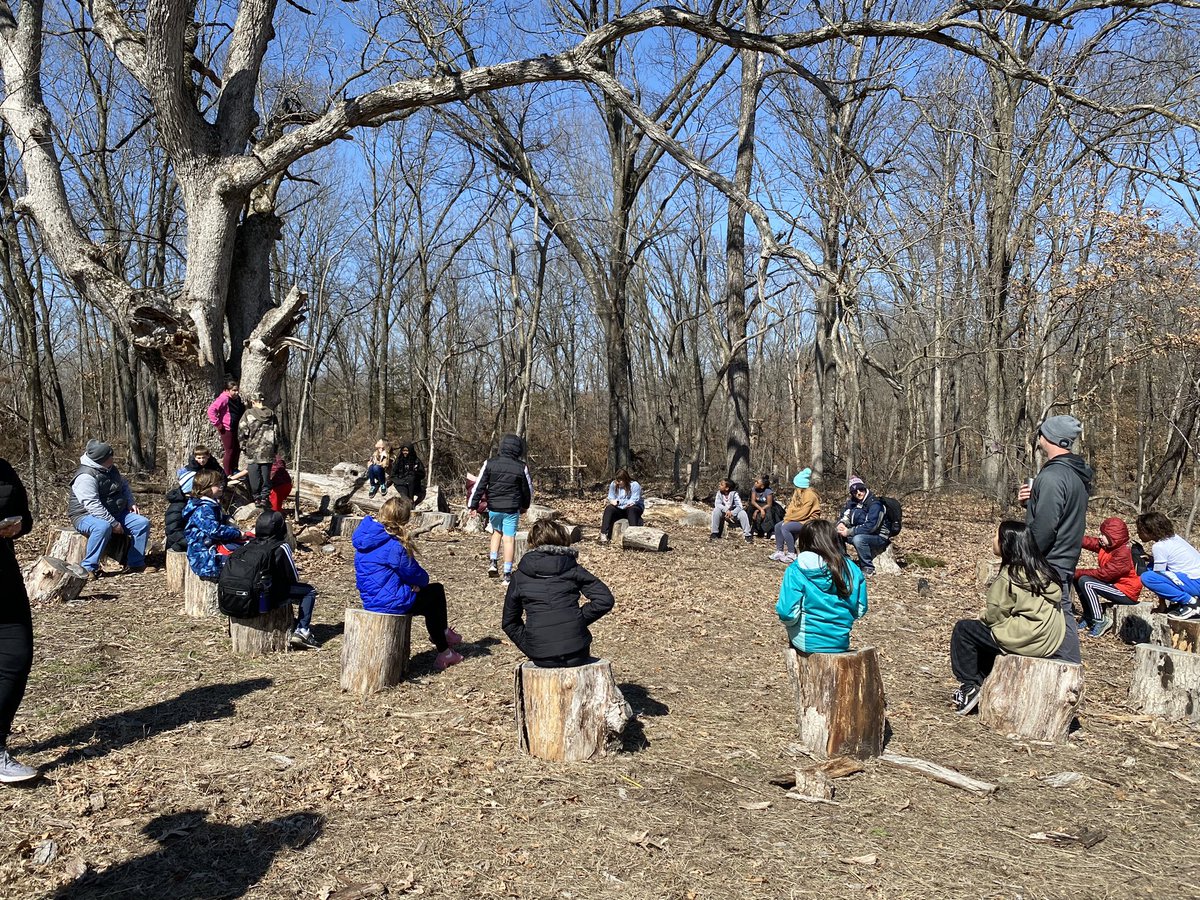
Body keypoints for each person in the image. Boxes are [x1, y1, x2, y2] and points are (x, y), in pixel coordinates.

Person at [950, 521, 1071, 714]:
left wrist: (981, 616)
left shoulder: (1010, 575)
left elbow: (995, 616)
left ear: (1007, 543)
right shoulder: (1044, 572)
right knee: (990, 635)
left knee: (964, 631)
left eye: (996, 536)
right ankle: (986, 682)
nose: (993, 540)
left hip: (1027, 639)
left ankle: (969, 686)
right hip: (1048, 642)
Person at [352, 497, 463, 669]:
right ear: (403, 520)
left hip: (371, 600)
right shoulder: (393, 545)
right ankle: (443, 645)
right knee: (435, 593)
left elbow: (384, 573)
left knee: (429, 599)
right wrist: (419, 583)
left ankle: (443, 638)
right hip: (390, 603)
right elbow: (414, 574)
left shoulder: (365, 539)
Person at [1016, 414, 1091, 663]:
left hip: (1049, 559)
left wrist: (1024, 554)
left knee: (1058, 612)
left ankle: (1068, 667)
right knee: (1057, 611)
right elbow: (1060, 513)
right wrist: (1032, 502)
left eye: (1041, 434)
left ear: (1046, 437)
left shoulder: (1052, 476)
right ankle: (1061, 665)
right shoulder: (1074, 475)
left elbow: (1046, 527)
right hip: (1065, 555)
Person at [503, 519, 615, 667]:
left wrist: (531, 646)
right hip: (577, 651)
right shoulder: (572, 568)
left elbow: (510, 623)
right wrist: (577, 620)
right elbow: (604, 599)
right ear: (562, 539)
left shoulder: (519, 576)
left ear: (532, 542)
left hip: (541, 656)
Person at [775, 520, 868, 653]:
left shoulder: (796, 569)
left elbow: (787, 613)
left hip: (806, 641)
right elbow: (860, 609)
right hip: (840, 641)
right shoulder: (851, 568)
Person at [0, 459, 37, 782]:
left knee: (17, 655)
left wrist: (18, 526)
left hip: (4, 579)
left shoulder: (3, 469)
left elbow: (26, 517)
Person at [68, 440, 152, 578]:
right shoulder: (85, 476)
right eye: (110, 456)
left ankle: (135, 563)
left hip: (115, 511)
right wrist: (113, 523)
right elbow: (92, 505)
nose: (113, 458)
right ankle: (88, 567)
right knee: (102, 527)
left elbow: (123, 485)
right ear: (102, 459)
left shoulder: (111, 468)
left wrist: (131, 503)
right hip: (84, 515)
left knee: (142, 523)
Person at [246, 511, 320, 649]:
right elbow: (293, 577)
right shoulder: (281, 546)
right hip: (270, 593)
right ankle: (302, 631)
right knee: (309, 592)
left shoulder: (249, 544)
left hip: (249, 592)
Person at [467, 434, 533, 585]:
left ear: (502, 447)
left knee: (497, 532)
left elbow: (479, 485)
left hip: (494, 507)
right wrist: (525, 506)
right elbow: (527, 490)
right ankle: (507, 575)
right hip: (511, 508)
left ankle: (493, 562)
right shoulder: (521, 467)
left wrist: (473, 505)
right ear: (518, 449)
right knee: (509, 539)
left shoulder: (489, 463)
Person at [1073, 517, 1142, 638]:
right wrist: (1071, 538)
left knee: (1086, 582)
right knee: (1078, 579)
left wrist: (1076, 572)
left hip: (1126, 592)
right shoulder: (1108, 546)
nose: (1100, 537)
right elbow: (1090, 542)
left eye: (1104, 535)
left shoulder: (1123, 553)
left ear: (1113, 537)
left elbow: (1104, 574)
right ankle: (1089, 615)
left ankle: (1100, 620)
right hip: (1115, 585)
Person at [1135, 511, 1200, 620]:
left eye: (1140, 531)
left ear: (1150, 531)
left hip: (1195, 583)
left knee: (1148, 577)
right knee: (1151, 565)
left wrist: (1162, 605)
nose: (1137, 533)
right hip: (1195, 579)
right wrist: (1152, 559)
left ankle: (1191, 603)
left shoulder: (1159, 546)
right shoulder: (1175, 538)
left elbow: (1158, 574)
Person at [183, 470, 246, 579]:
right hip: (206, 559)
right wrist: (238, 533)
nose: (221, 486)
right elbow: (214, 530)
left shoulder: (210, 505)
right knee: (246, 562)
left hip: (212, 549)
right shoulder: (204, 508)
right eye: (217, 484)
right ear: (205, 488)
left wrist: (227, 520)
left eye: (221, 483)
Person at [836, 476, 888, 575]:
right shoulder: (852, 503)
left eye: (861, 489)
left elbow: (871, 526)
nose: (859, 493)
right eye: (855, 491)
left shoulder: (875, 504)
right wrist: (842, 524)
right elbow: (845, 516)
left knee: (858, 539)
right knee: (836, 532)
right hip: (859, 532)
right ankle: (844, 561)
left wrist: (849, 532)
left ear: (865, 489)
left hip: (878, 536)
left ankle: (868, 567)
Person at [237, 393, 279, 509]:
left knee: (254, 475)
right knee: (266, 476)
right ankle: (265, 497)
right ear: (262, 400)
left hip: (253, 450)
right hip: (268, 450)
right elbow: (276, 433)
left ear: (253, 401)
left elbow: (241, 431)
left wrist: (243, 446)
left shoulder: (248, 414)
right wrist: (274, 448)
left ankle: (256, 498)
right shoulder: (271, 414)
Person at [771, 468, 821, 562]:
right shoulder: (797, 493)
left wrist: (788, 520)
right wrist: (787, 517)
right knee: (778, 526)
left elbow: (804, 513)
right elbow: (791, 507)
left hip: (808, 521)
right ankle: (779, 551)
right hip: (796, 519)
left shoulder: (810, 495)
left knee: (785, 527)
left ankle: (791, 553)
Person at [207, 380, 244, 476]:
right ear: (227, 390)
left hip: (236, 427)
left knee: (237, 449)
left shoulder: (237, 399)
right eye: (234, 390)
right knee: (229, 450)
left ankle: (234, 469)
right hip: (226, 428)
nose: (236, 392)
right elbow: (211, 410)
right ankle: (228, 473)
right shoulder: (224, 398)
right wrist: (218, 424)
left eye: (237, 390)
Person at [599, 469, 643, 543]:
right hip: (620, 508)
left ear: (625, 479)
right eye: (617, 480)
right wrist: (613, 501)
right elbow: (611, 497)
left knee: (632, 510)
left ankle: (633, 535)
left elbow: (633, 501)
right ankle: (604, 534)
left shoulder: (635, 485)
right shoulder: (613, 484)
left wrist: (619, 502)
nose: (618, 483)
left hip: (634, 507)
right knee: (609, 509)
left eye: (620, 481)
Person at [164, 468, 196, 552]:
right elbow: (173, 530)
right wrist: (189, 543)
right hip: (179, 544)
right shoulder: (177, 506)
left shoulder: (192, 502)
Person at [711, 479, 752, 543]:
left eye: (721, 485)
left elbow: (739, 506)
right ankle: (714, 533)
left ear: (727, 488)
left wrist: (732, 513)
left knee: (743, 513)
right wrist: (726, 510)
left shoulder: (734, 494)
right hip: (723, 512)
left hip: (733, 513)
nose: (719, 485)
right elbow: (717, 504)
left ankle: (747, 535)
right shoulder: (719, 493)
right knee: (716, 511)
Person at [748, 475, 782, 539]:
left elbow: (769, 504)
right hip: (757, 505)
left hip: (767, 505)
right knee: (750, 508)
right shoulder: (754, 489)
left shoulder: (768, 491)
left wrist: (759, 510)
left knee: (770, 511)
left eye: (757, 482)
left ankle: (771, 531)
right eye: (755, 482)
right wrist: (760, 509)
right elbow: (753, 501)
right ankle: (753, 528)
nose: (755, 483)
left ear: (762, 486)